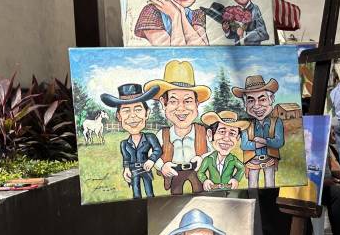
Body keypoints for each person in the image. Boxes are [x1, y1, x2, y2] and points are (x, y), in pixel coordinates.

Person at [143, 60, 212, 195]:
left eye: (188, 101)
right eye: (173, 101)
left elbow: (214, 152)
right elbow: (152, 155)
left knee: (200, 193)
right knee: (175, 194)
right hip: (174, 172)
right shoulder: (162, 134)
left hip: (197, 172)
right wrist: (162, 166)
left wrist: (203, 159)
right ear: (164, 104)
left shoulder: (203, 132)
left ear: (197, 104)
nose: (181, 108)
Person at [100, 83, 162, 199]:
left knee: (149, 191)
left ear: (147, 113)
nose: (132, 116)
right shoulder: (124, 144)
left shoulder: (150, 137)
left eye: (138, 109)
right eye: (126, 111)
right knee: (136, 192)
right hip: (134, 170)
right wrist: (126, 169)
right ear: (119, 116)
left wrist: (151, 160)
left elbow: (158, 150)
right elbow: (126, 159)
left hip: (146, 168)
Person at [233, 75, 285, 188]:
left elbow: (279, 142)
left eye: (262, 99)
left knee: (270, 184)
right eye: (251, 100)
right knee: (252, 186)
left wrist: (261, 140)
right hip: (252, 162)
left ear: (271, 100)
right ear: (245, 104)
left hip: (270, 160)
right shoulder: (246, 125)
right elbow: (245, 145)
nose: (257, 106)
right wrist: (263, 143)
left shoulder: (277, 122)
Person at [197, 111, 249, 191]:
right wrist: (205, 180)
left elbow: (242, 168)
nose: (226, 138)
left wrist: (236, 179)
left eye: (232, 134)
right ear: (210, 135)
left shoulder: (233, 159)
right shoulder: (208, 159)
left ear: (237, 138)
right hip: (213, 191)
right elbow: (201, 172)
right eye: (221, 132)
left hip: (229, 190)